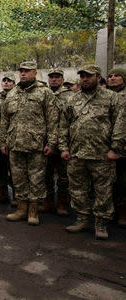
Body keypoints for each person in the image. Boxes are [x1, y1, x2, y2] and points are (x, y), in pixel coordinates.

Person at [60, 65, 122, 239]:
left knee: (103, 190)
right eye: (82, 76)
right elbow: (64, 125)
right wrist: (63, 147)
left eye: (88, 76)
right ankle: (81, 218)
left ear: (98, 77)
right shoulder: (72, 99)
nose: (85, 79)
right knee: (77, 189)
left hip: (101, 155)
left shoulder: (112, 98)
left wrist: (115, 148)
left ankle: (101, 223)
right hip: (77, 153)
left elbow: (120, 125)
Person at [0, 61, 59, 226]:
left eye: (27, 71)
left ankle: (33, 211)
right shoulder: (12, 94)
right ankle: (21, 209)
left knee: (36, 179)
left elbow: (53, 120)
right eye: (21, 71)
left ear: (35, 73)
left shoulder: (45, 93)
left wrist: (52, 143)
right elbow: (4, 120)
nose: (23, 74)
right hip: (15, 144)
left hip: (36, 145)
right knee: (18, 179)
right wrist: (3, 142)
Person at [41, 68, 72, 215]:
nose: (53, 79)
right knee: (46, 175)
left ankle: (62, 203)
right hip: (45, 141)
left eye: (57, 77)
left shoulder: (70, 96)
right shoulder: (44, 94)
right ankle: (48, 202)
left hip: (64, 142)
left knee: (64, 176)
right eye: (51, 77)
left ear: (62, 79)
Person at [0, 72, 16, 205]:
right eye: (4, 80)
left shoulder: (18, 96)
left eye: (9, 81)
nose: (6, 82)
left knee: (14, 170)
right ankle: (3, 193)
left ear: (14, 83)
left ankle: (17, 197)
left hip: (12, 138)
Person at [107, 67, 126, 227]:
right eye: (110, 76)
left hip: (122, 148)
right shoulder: (105, 96)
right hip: (107, 147)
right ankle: (110, 212)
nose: (113, 78)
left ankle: (122, 214)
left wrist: (118, 148)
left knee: (122, 183)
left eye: (117, 76)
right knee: (109, 182)